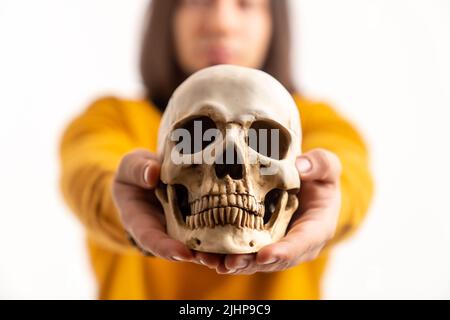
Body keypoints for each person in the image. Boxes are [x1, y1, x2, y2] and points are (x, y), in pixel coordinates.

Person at [59, 0, 373, 299]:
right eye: (199, 0)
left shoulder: (316, 121)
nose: (222, 23)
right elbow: (90, 171)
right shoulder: (113, 119)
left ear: (273, 20)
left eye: (246, 3)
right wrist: (121, 201)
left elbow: (350, 174)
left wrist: (333, 200)